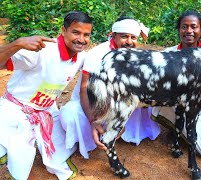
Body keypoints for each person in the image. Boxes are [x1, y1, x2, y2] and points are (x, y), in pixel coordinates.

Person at [0, 11, 92, 179]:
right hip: (17, 109)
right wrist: (18, 43)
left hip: (47, 110)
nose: (81, 39)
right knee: (20, 159)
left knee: (59, 152)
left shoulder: (82, 57)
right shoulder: (41, 51)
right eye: (76, 32)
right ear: (63, 31)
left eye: (86, 35)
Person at [59, 16, 160, 156]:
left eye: (133, 37)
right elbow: (84, 89)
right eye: (124, 36)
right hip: (93, 103)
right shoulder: (97, 54)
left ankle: (126, 131)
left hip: (116, 103)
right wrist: (94, 120)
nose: (129, 42)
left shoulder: (135, 54)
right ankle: (92, 135)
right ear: (113, 36)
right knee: (70, 115)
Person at [151, 10, 201, 160]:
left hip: (200, 108)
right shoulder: (168, 54)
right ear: (179, 29)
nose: (189, 31)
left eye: (194, 27)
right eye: (184, 26)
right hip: (173, 104)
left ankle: (183, 129)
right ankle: (175, 126)